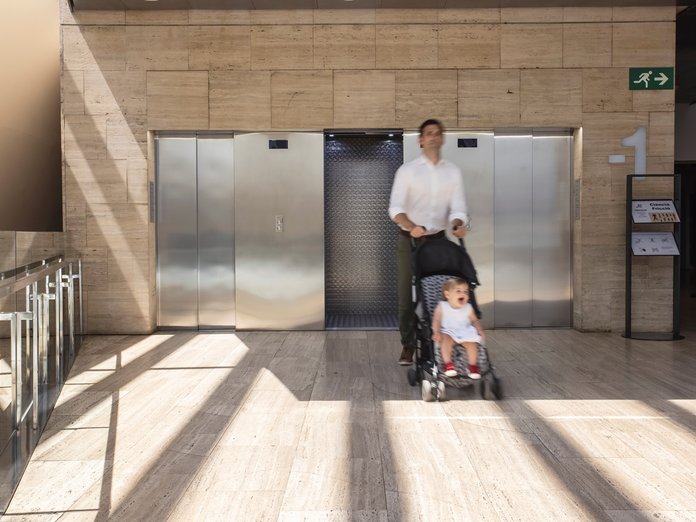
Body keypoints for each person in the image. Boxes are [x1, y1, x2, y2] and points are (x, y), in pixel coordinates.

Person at [388, 118, 469, 365]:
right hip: (409, 240)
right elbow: (395, 209)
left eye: (437, 133)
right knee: (406, 296)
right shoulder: (408, 171)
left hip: (438, 242)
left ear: (442, 138)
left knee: (441, 294)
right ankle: (409, 345)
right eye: (428, 133)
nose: (433, 137)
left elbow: (459, 208)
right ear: (421, 140)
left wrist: (458, 224)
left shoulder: (452, 172)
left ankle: (445, 341)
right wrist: (411, 226)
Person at [431, 277, 484, 379]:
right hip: (448, 331)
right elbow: (436, 320)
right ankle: (448, 365)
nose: (462, 294)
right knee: (445, 340)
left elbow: (474, 320)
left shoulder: (468, 307)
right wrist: (436, 331)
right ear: (447, 295)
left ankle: (473, 366)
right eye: (458, 291)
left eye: (465, 291)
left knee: (471, 344)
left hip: (464, 331)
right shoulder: (442, 306)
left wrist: (479, 329)